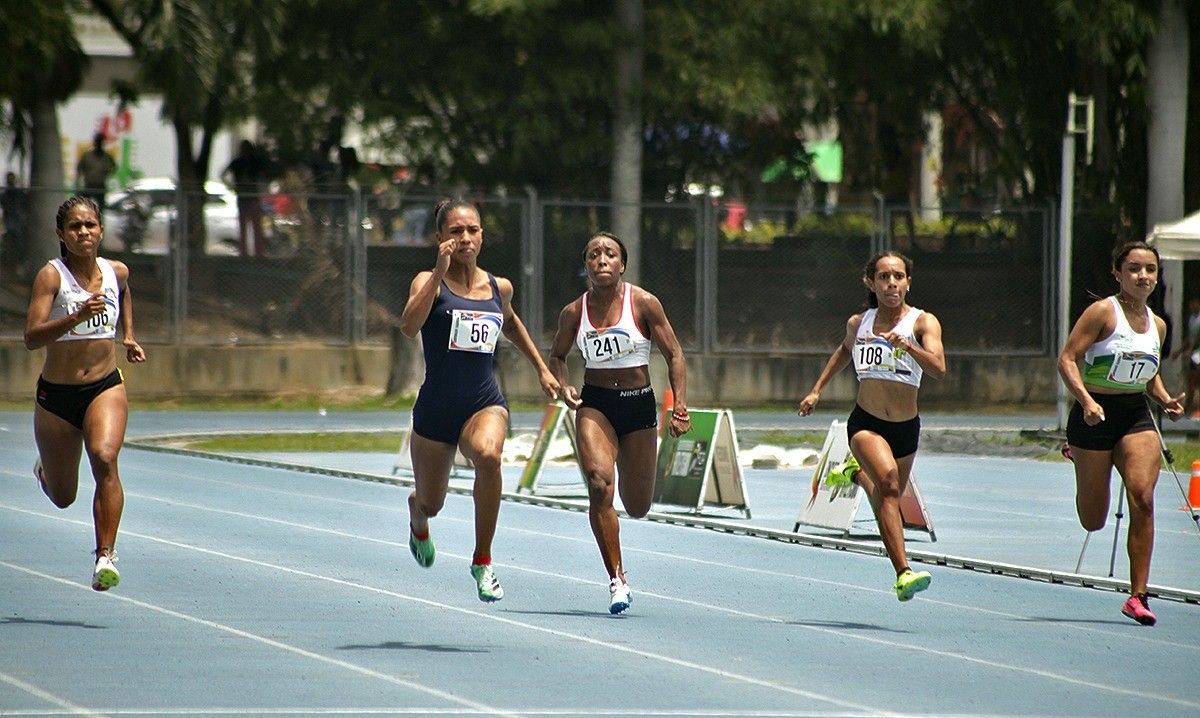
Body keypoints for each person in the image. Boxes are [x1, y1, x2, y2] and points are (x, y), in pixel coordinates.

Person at [399, 198, 559, 602]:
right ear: (440, 238)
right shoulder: (427, 282)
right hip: (436, 410)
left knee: (489, 456)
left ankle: (482, 560)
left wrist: (542, 368)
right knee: (432, 503)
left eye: (472, 230)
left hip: (483, 402)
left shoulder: (498, 286)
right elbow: (409, 326)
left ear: (482, 236)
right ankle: (417, 514)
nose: (465, 238)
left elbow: (511, 322)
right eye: (456, 231)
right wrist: (438, 272)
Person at [548, 232, 692, 614]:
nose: (602, 260)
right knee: (599, 484)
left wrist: (680, 406)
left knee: (638, 505)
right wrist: (563, 386)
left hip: (638, 405)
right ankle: (617, 579)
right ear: (586, 266)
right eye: (593, 254)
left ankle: (620, 567)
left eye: (610, 254)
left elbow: (675, 354)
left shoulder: (643, 303)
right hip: (595, 405)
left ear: (622, 264)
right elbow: (557, 356)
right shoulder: (573, 312)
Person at [797, 251, 946, 602]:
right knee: (890, 486)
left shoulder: (923, 323)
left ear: (908, 283)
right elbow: (844, 351)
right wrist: (817, 390)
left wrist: (908, 346)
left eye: (898, 276)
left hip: (906, 428)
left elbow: (938, 368)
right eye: (883, 277)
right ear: (872, 283)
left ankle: (855, 475)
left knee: (885, 497)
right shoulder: (859, 323)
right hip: (866, 423)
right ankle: (903, 573)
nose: (891, 283)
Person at [23, 196, 146, 591]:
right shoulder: (51, 277)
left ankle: (104, 556)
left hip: (103, 386)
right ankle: (46, 471)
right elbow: (31, 337)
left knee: (105, 458)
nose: (83, 232)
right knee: (63, 497)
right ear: (61, 234)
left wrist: (128, 335)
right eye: (74, 227)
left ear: (101, 230)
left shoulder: (116, 271)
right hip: (57, 398)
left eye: (90, 225)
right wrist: (75, 317)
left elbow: (123, 291)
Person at [1058, 241, 1183, 626]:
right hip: (1093, 416)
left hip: (1134, 415)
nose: (1142, 276)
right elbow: (1067, 359)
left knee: (1142, 497)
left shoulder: (1158, 325)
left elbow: (1149, 371)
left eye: (1150, 269)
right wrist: (1086, 401)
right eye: (1133, 268)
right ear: (1118, 273)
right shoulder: (1102, 313)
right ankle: (1077, 454)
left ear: (1157, 277)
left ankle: (1138, 595)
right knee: (1093, 519)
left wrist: (1164, 399)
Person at [223, 139, 268, 257]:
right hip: (244, 198)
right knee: (244, 226)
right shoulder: (238, 162)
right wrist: (233, 187)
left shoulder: (255, 162)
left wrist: (261, 188)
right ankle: (244, 252)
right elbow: (223, 174)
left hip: (252, 197)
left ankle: (258, 252)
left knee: (256, 226)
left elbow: (263, 176)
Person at [1171, 297, 1200, 418]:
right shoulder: (1192, 319)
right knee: (1191, 381)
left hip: (1197, 353)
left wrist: (1190, 349)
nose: (1191, 306)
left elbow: (1197, 337)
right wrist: (1179, 352)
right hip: (1195, 355)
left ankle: (1190, 408)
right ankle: (1189, 408)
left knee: (1193, 381)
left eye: (1193, 303)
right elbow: (1190, 338)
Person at [75, 133, 116, 212]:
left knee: (101, 208)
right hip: (89, 185)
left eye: (100, 142)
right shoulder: (87, 156)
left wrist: (106, 173)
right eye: (98, 142)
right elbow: (79, 168)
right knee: (83, 206)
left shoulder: (106, 157)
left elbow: (113, 167)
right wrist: (78, 181)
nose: (99, 144)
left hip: (100, 185)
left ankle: (99, 219)